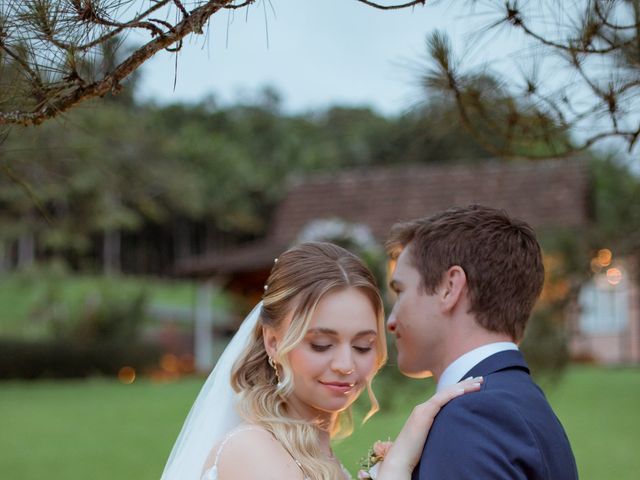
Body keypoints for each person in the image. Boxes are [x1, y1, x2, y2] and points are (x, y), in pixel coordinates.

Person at [161, 241, 482, 480]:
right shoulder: (251, 452)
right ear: (273, 343)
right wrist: (397, 466)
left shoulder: (323, 461)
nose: (346, 364)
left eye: (362, 345)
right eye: (322, 344)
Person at [385, 205, 579, 479]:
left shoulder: (471, 417)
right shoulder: (525, 402)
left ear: (449, 288)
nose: (391, 321)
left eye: (400, 291)